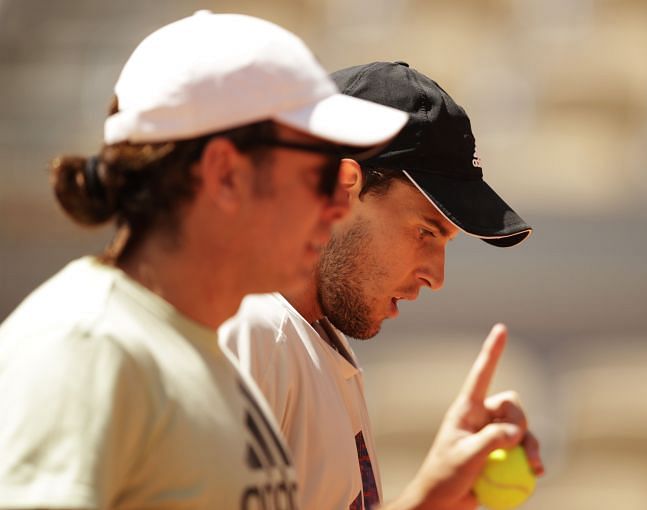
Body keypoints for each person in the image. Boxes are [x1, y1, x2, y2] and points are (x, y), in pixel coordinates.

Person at [0, 13, 408, 508]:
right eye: (318, 176)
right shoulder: (88, 346)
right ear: (225, 174)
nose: (337, 206)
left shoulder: (201, 352)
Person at [221, 61, 543, 510]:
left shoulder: (308, 333)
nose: (437, 276)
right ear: (340, 186)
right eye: (426, 232)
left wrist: (431, 498)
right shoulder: (255, 333)